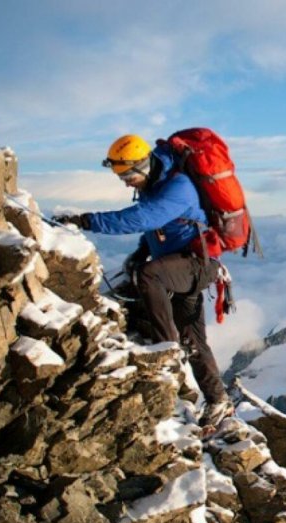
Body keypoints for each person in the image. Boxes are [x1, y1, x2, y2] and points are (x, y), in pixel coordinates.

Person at [55, 134, 233, 429]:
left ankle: (166, 350)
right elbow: (161, 229)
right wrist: (142, 251)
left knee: (149, 277)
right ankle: (218, 400)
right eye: (119, 175)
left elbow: (144, 219)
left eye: (127, 174)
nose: (125, 181)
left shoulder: (178, 187)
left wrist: (87, 220)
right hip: (184, 265)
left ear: (143, 164)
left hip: (196, 265)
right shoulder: (155, 185)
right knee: (194, 337)